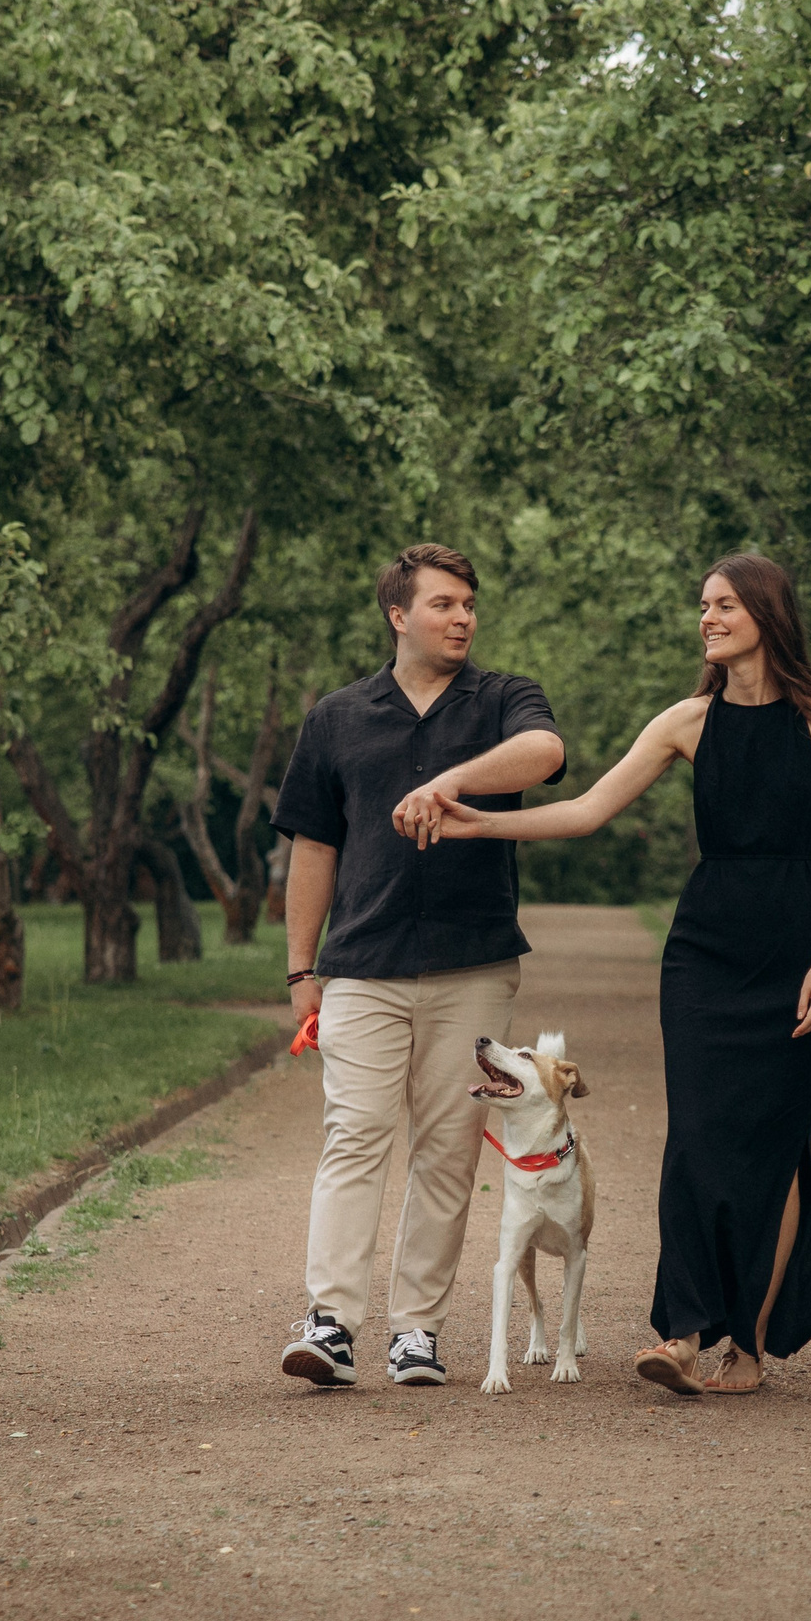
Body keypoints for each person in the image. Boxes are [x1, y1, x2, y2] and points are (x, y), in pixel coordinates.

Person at [419, 552, 811, 1395]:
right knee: (695, 1136)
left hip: (795, 951)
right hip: (704, 951)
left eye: (725, 604)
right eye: (704, 605)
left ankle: (748, 1351)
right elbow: (587, 810)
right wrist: (479, 825)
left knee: (774, 1148)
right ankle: (684, 1334)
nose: (709, 617)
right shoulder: (685, 723)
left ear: (767, 611)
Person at [271, 544, 568, 1389]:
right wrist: (302, 972)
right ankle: (330, 1323)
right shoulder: (336, 717)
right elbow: (314, 846)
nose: (463, 617)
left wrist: (449, 784)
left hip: (472, 965)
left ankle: (417, 1332)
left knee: (447, 1148)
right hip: (360, 963)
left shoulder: (505, 697)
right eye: (443, 604)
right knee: (354, 1135)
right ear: (399, 615)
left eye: (469, 604)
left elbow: (544, 754)